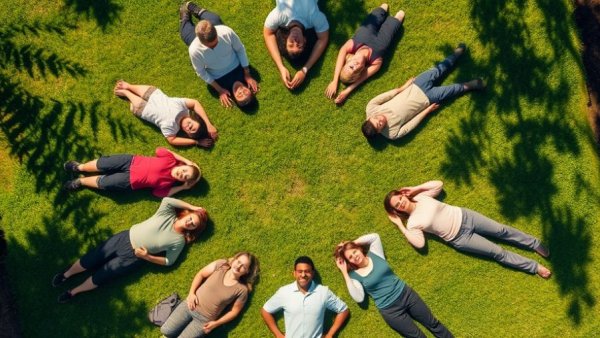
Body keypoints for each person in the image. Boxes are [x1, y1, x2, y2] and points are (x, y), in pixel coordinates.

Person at [52, 197, 208, 303]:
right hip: (123, 238)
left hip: (134, 257)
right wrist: (193, 207)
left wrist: (148, 257)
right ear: (187, 214)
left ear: (193, 230)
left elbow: (169, 261)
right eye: (191, 218)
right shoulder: (167, 213)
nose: (189, 223)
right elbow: (167, 200)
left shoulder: (179, 241)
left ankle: (74, 292)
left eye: (193, 225)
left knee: (102, 276)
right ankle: (66, 275)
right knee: (92, 258)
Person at [384, 180, 552, 279]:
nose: (401, 203)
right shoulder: (412, 223)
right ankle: (533, 267)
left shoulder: (421, 197)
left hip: (466, 217)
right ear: (397, 210)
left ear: (402, 194)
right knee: (498, 252)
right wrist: (400, 225)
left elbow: (438, 185)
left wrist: (415, 188)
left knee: (501, 230)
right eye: (397, 205)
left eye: (399, 199)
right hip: (460, 239)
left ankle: (534, 243)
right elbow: (420, 243)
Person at [334, 233, 453, 338]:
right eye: (350, 257)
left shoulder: (375, 253)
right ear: (349, 262)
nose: (354, 256)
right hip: (390, 311)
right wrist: (344, 272)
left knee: (433, 323)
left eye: (354, 251)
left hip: (406, 294)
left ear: (359, 249)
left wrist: (351, 243)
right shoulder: (354, 277)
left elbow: (374, 237)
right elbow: (359, 298)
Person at [362, 43, 485, 140]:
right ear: (379, 132)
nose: (381, 120)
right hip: (427, 100)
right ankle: (472, 85)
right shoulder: (392, 134)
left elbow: (387, 95)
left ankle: (456, 54)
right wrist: (427, 110)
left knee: (439, 69)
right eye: (379, 125)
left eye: (376, 119)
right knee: (451, 90)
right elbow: (412, 123)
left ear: (370, 118)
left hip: (416, 85)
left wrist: (403, 87)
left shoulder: (371, 108)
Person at [160, 252, 260, 337]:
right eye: (238, 261)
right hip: (190, 305)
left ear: (247, 272)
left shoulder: (242, 290)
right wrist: (191, 293)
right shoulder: (221, 265)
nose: (238, 266)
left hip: (203, 321)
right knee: (166, 331)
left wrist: (216, 324)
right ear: (234, 260)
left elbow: (234, 312)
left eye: (244, 266)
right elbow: (201, 274)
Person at [179, 2, 258, 108]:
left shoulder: (194, 49)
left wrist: (219, 90)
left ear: (234, 97)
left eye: (240, 96)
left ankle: (184, 16)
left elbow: (201, 72)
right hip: (213, 27)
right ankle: (196, 10)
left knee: (185, 34)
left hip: (199, 41)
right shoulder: (225, 31)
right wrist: (247, 74)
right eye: (246, 93)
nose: (241, 92)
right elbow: (240, 50)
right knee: (215, 19)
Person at [325, 4, 404, 104]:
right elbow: (364, 77)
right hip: (381, 40)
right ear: (361, 70)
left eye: (350, 67)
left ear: (348, 60)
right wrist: (347, 91)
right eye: (354, 71)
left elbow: (341, 53)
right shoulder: (375, 61)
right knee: (400, 15)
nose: (354, 66)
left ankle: (381, 12)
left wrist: (335, 81)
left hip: (367, 31)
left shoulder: (352, 45)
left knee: (384, 7)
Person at [261, 256, 349, 338]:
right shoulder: (284, 292)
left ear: (312, 273)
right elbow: (265, 311)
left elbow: (344, 310)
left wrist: (329, 335)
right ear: (294, 273)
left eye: (307, 271)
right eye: (300, 271)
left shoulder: (323, 292)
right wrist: (278, 335)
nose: (303, 275)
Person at [113, 80, 217, 148]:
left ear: (187, 134)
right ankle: (129, 86)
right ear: (194, 119)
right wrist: (208, 124)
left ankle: (126, 93)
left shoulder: (173, 128)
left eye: (190, 130)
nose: (189, 127)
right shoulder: (184, 109)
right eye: (192, 125)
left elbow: (172, 140)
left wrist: (196, 142)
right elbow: (195, 103)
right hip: (153, 95)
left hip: (143, 109)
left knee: (135, 106)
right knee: (150, 90)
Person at [62, 147, 201, 198]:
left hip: (129, 181)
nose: (182, 174)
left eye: (185, 177)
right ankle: (79, 168)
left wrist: (183, 187)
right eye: (185, 170)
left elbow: (158, 194)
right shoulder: (170, 160)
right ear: (183, 165)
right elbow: (160, 150)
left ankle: (80, 181)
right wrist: (187, 161)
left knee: (105, 183)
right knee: (103, 163)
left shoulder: (168, 183)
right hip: (129, 161)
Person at [263, 0, 329, 89]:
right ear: (305, 40)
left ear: (285, 40)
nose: (295, 41)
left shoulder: (280, 15)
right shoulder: (313, 17)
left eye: (290, 45)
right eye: (299, 45)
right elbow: (323, 38)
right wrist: (304, 70)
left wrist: (281, 67)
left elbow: (268, 34)